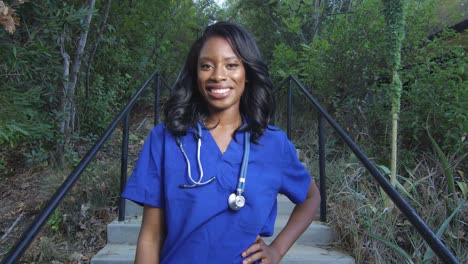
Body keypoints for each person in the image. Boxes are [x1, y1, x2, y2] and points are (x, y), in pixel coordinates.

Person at [122, 21, 320, 264]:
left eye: (231, 65)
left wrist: (277, 249)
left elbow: (312, 198)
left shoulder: (273, 144)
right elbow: (150, 237)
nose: (218, 75)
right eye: (206, 66)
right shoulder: (165, 140)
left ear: (247, 73)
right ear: (195, 75)